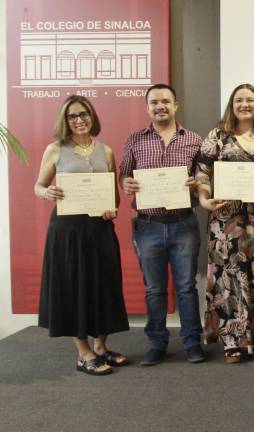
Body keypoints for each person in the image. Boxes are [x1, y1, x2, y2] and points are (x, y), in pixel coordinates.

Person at [35, 95, 129, 376]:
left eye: (84, 114)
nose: (79, 120)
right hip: (67, 232)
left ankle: (101, 347)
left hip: (99, 230)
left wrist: (112, 209)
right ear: (65, 120)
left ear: (92, 116)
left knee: (103, 284)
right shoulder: (55, 150)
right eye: (72, 116)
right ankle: (83, 352)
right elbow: (38, 186)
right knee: (73, 286)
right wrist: (47, 192)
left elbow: (114, 197)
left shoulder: (107, 151)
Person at [196, 84, 254, 363]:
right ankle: (233, 343)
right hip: (226, 221)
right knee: (229, 277)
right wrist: (203, 198)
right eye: (239, 100)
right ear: (231, 105)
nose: (244, 104)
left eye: (250, 100)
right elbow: (202, 170)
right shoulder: (218, 134)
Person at [120, 84, 205, 366]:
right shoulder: (134, 139)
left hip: (183, 223)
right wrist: (127, 183)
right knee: (154, 290)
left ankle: (193, 343)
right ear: (148, 107)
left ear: (175, 105)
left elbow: (205, 178)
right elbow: (124, 176)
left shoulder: (194, 140)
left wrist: (197, 183)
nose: (160, 106)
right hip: (148, 225)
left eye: (165, 101)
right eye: (154, 102)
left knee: (186, 287)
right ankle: (156, 344)